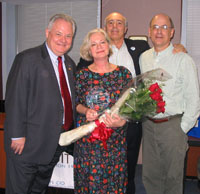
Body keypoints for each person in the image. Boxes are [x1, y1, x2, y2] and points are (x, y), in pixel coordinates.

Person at [77, 12, 186, 194]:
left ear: (125, 28)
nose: (114, 26)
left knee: (127, 169)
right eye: (110, 22)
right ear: (105, 28)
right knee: (97, 174)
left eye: (119, 23)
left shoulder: (140, 47)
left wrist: (178, 48)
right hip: (98, 128)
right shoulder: (90, 57)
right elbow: (79, 94)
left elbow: (160, 50)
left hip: (129, 122)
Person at [4, 13, 77, 194]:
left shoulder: (69, 63)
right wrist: (16, 135)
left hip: (53, 146)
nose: (63, 40)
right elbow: (15, 99)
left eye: (68, 36)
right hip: (27, 145)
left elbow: (67, 101)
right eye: (59, 34)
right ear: (47, 32)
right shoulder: (27, 59)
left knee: (38, 190)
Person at [139, 13, 200, 194]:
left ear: (172, 32)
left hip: (173, 125)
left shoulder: (183, 60)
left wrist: (182, 128)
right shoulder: (144, 58)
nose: (159, 31)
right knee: (150, 176)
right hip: (148, 126)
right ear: (149, 32)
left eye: (164, 27)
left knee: (173, 178)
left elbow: (194, 99)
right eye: (155, 27)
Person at [74, 28, 132, 193]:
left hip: (115, 141)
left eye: (102, 42)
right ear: (88, 50)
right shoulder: (82, 75)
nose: (99, 46)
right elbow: (76, 103)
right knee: (89, 185)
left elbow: (130, 106)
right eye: (94, 44)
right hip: (89, 143)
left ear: (108, 45)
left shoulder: (123, 74)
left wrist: (122, 120)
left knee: (114, 183)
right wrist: (86, 111)